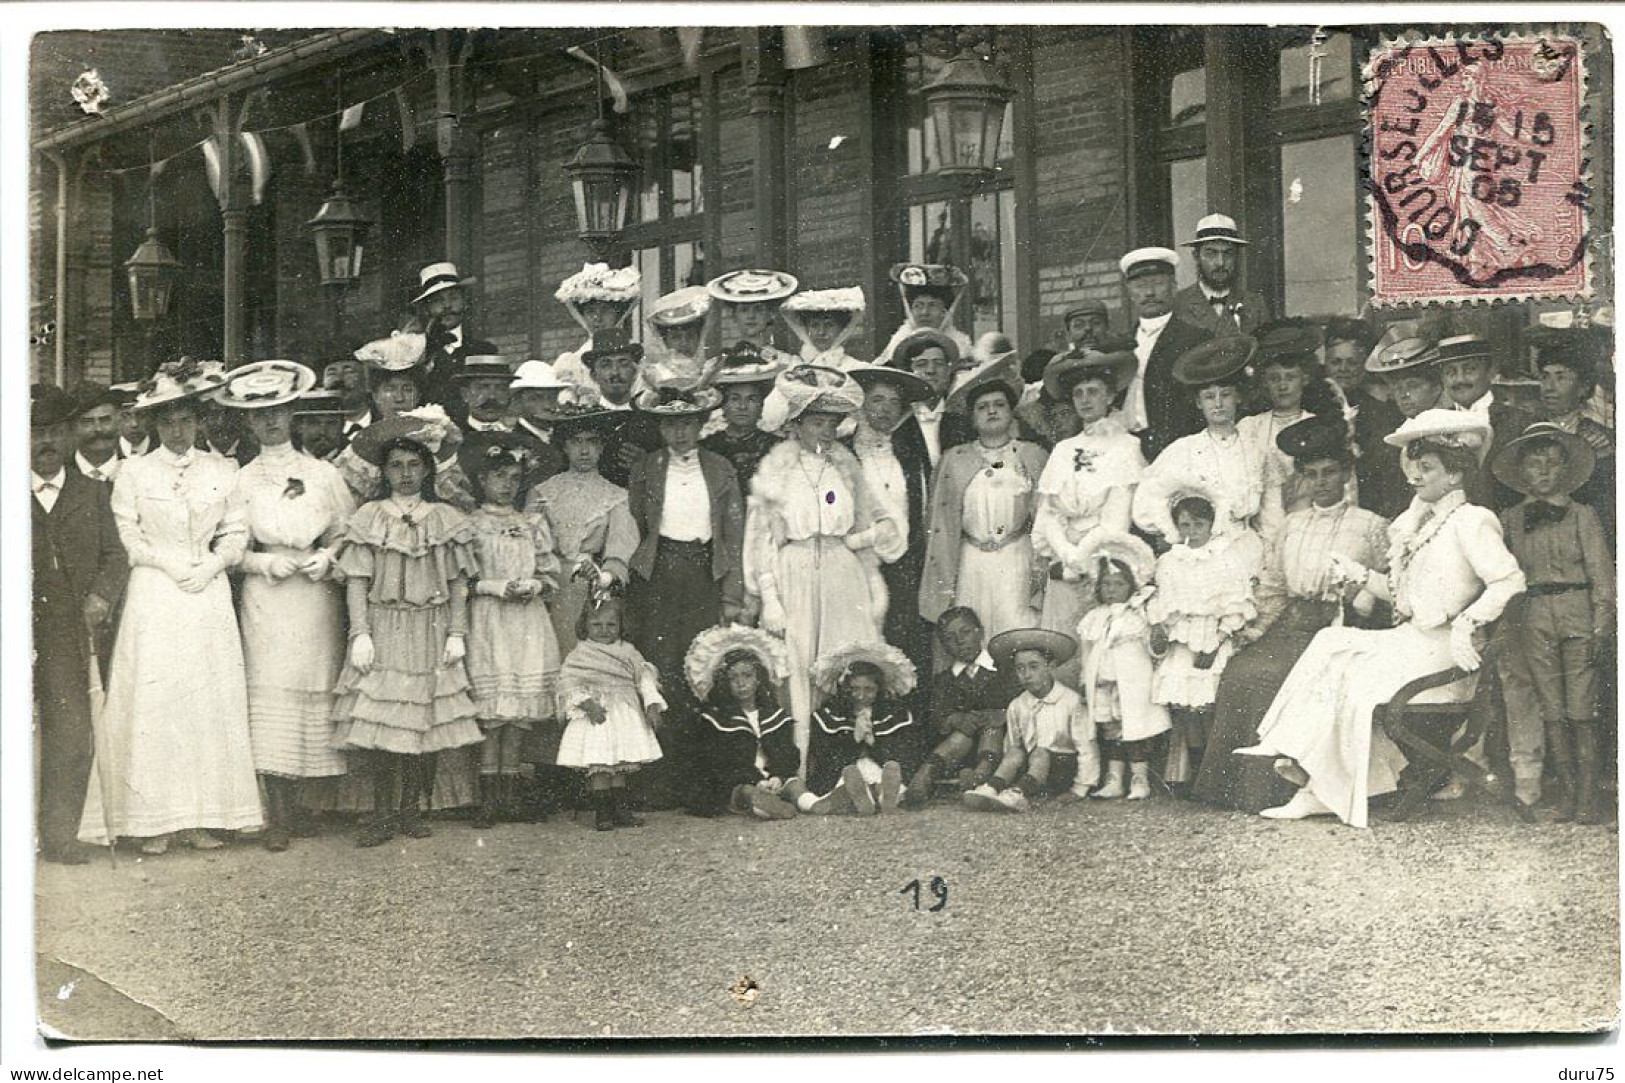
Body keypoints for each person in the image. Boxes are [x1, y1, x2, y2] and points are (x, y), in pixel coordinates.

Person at [1236, 410, 1526, 827]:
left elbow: (1510, 581)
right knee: (1329, 642)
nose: (1415, 476)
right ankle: (1307, 769)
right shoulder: (1417, 524)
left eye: (1427, 468)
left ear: (1455, 475)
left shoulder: (1471, 521)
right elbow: (1401, 597)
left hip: (1446, 652)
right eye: (1413, 467)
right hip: (1413, 640)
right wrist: (1361, 577)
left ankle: (1316, 781)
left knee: (1350, 671)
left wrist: (1468, 625)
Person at [78, 360, 262, 855]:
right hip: (155, 591)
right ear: (154, 425)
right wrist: (166, 563)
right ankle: (153, 819)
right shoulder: (133, 471)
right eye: (166, 421)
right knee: (158, 702)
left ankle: (203, 817)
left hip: (207, 591)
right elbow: (126, 534)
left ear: (199, 421)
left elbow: (237, 529)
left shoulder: (223, 469)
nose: (176, 430)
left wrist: (212, 564)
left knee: (205, 701)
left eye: (184, 420)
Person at [1194, 415, 1391, 813]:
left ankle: (1289, 791)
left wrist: (1358, 599)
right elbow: (1273, 588)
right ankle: (1236, 790)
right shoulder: (1292, 526)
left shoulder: (1370, 526)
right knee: (1243, 670)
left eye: (1330, 472)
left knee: (1273, 678)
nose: (1321, 482)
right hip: (1291, 625)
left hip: (1341, 626)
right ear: (1301, 478)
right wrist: (1247, 633)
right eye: (1312, 474)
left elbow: (1388, 587)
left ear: (1345, 474)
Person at [219, 361, 356, 851]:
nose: (270, 421)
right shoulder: (240, 478)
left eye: (277, 410)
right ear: (247, 422)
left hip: (315, 596)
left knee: (312, 686)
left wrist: (327, 556)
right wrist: (260, 563)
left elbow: (347, 532)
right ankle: (275, 810)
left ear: (292, 413)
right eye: (259, 415)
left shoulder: (323, 474)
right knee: (270, 689)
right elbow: (228, 544)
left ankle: (306, 804)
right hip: (268, 596)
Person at [330, 436, 484, 848]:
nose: (405, 474)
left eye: (413, 465)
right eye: (396, 465)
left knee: (423, 719)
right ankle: (381, 812)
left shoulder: (444, 517)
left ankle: (411, 809)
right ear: (385, 471)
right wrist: (360, 632)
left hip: (430, 626)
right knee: (384, 719)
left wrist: (456, 632)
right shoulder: (370, 516)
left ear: (427, 470)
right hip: (385, 625)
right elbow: (357, 580)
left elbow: (458, 583)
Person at [745, 365, 903, 757]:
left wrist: (857, 539)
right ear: (796, 425)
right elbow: (761, 536)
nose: (826, 432)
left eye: (832, 424)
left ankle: (848, 761)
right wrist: (770, 598)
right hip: (793, 570)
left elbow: (883, 523)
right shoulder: (777, 469)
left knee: (843, 657)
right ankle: (798, 764)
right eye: (816, 423)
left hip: (841, 571)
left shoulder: (845, 468)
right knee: (797, 663)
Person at [1493, 425, 1614, 821]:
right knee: (1551, 708)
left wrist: (1602, 625)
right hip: (1532, 617)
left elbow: (1602, 576)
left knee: (1582, 708)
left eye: (1552, 462)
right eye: (1533, 463)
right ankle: (1565, 793)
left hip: (1577, 610)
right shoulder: (1511, 520)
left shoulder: (1583, 514)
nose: (1543, 471)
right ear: (1521, 472)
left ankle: (1588, 797)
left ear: (1565, 469)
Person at [31, 384, 127, 864]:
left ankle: (59, 834)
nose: (44, 443)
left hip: (68, 632)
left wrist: (100, 596)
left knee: (69, 731)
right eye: (33, 433)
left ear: (67, 436)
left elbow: (115, 556)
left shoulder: (91, 492)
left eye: (51, 432)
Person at [1031, 348, 1145, 684]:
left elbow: (1116, 520)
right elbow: (1048, 515)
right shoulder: (1064, 449)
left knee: (1100, 659)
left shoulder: (1127, 447)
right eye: (1078, 393)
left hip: (1103, 565)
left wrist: (1082, 561)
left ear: (1111, 395)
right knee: (1063, 650)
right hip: (1064, 564)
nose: (1085, 400)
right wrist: (1066, 557)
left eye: (1094, 391)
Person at [464, 437, 562, 828]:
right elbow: (464, 578)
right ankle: (487, 796)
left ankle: (509, 793)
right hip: (489, 618)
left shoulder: (530, 524)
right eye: (497, 477)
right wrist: (494, 586)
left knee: (518, 710)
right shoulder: (471, 525)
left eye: (513, 478)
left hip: (525, 621)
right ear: (482, 480)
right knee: (494, 712)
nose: (506, 485)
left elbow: (548, 572)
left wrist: (535, 586)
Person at [920, 360, 1049, 640]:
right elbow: (938, 523)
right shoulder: (953, 460)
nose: (991, 411)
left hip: (1017, 558)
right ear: (972, 417)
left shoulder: (1032, 455)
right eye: (982, 406)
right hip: (970, 561)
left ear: (1011, 411)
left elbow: (1046, 517)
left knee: (1017, 629)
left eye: (999, 404)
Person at [1146, 490, 1257, 787]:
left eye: (1198, 525)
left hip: (1213, 635)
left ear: (1210, 524)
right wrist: (1163, 631)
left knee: (1209, 705)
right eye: (1185, 525)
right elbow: (1164, 605)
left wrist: (1218, 641)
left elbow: (1236, 606)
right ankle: (1196, 771)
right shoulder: (1170, 561)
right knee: (1185, 709)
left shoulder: (1225, 558)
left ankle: (1217, 771)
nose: (1192, 532)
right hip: (1181, 639)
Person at [1133, 335, 1267, 569]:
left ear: (1238, 397)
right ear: (1198, 403)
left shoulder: (1255, 447)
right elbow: (1145, 505)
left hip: (1246, 551)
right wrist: (1176, 533)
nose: (1217, 404)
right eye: (1208, 397)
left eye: (1225, 395)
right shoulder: (1184, 450)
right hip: (1200, 557)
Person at [847, 363, 937, 684]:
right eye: (877, 400)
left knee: (903, 641)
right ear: (863, 404)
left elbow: (919, 511)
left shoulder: (908, 455)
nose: (885, 409)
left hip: (903, 567)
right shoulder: (844, 453)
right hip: (855, 563)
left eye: (893, 403)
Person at [525, 407, 639, 658]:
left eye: (592, 442)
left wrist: (604, 577)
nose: (584, 450)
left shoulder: (617, 496)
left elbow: (620, 551)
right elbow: (529, 544)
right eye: (576, 442)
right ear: (564, 447)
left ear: (601, 448)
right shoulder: (542, 492)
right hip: (549, 585)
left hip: (592, 586)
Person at [556, 594, 666, 832]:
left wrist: (651, 704)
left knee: (619, 763)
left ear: (621, 626)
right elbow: (569, 683)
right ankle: (602, 813)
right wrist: (586, 704)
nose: (604, 630)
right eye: (597, 625)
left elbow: (644, 678)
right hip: (598, 714)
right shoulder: (580, 654)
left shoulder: (629, 652)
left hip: (624, 712)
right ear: (585, 626)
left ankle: (621, 810)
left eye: (611, 625)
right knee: (601, 763)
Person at [1072, 533, 1169, 802]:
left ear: (1131, 585)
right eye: (1107, 584)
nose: (1112, 589)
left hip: (1133, 683)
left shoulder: (1139, 614)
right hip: (1103, 681)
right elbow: (1087, 652)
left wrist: (1157, 636)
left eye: (1118, 583)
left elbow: (1155, 650)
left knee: (1134, 729)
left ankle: (1140, 779)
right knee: (1110, 730)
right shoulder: (1094, 617)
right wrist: (1084, 679)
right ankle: (1114, 779)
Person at [963, 628, 1099, 813]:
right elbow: (1013, 745)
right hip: (1031, 772)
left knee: (1041, 752)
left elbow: (1086, 748)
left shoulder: (1071, 702)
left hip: (1062, 770)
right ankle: (993, 787)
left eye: (1034, 666)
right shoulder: (1017, 705)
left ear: (1051, 666)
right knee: (1015, 751)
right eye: (1020, 668)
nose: (1026, 674)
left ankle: (1018, 793)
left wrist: (1079, 789)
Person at [1239, 321, 1349, 536]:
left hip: (1308, 519)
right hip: (1263, 521)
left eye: (1290, 377)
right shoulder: (1250, 427)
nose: (1282, 386)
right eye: (1274, 379)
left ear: (1305, 379)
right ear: (1264, 383)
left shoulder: (1318, 426)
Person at [336, 344, 475, 510]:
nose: (399, 398)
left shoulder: (440, 435)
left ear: (417, 396)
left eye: (407, 389)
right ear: (375, 396)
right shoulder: (362, 446)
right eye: (390, 389)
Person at [904, 606, 1018, 804]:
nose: (959, 641)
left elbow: (1022, 703)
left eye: (965, 632)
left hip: (997, 747)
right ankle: (924, 776)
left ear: (980, 632)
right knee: (960, 736)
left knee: (992, 728)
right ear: (943, 646)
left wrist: (1002, 714)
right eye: (950, 638)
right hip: (959, 753)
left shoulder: (1003, 669)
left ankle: (981, 775)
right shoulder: (945, 679)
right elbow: (936, 715)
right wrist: (955, 719)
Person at [682, 625, 798, 820]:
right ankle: (762, 803)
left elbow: (788, 753)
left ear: (758, 679)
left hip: (772, 779)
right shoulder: (718, 719)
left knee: (794, 784)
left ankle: (812, 803)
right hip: (740, 782)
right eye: (732, 678)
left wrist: (778, 776)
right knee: (745, 790)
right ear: (724, 683)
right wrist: (757, 781)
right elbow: (723, 763)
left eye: (747, 675)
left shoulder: (774, 715)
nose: (741, 683)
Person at [792, 643, 920, 815]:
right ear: (845, 688)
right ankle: (868, 797)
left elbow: (903, 757)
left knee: (884, 776)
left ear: (879, 689)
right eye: (854, 689)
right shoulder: (829, 715)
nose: (861, 696)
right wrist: (854, 739)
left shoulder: (894, 714)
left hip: (879, 768)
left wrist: (874, 743)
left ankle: (883, 796)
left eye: (869, 690)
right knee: (850, 778)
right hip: (843, 773)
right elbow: (825, 759)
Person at [1118, 246, 1212, 461]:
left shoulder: (1195, 339)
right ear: (1130, 293)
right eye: (1140, 286)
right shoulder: (1121, 344)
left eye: (1158, 284)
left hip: (1176, 448)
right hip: (1126, 448)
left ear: (1174, 287)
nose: (1149, 293)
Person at [1529, 326, 1615, 540]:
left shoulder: (1603, 439)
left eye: (1561, 377)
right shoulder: (1527, 431)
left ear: (1583, 387)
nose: (1549, 387)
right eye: (1545, 377)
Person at [1437, 334, 1537, 510]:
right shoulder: (1435, 426)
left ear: (1490, 372)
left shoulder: (1522, 422)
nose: (1460, 379)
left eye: (1469, 370)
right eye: (1450, 372)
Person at [1359, 336, 1447, 520]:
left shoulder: (1449, 428)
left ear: (1437, 388)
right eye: (1397, 388)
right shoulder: (1392, 435)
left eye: (1413, 386)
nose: (1404, 395)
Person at [408, 261, 500, 415]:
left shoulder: (485, 351)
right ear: (426, 309)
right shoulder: (415, 352)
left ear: (465, 302)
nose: (447, 306)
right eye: (437, 301)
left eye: (453, 298)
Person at [579, 328, 662, 488]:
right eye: (606, 365)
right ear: (594, 376)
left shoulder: (653, 417)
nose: (615, 372)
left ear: (635, 372)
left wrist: (647, 464)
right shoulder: (584, 421)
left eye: (623, 364)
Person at [700, 343, 784, 488]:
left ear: (761, 405)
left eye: (751, 399)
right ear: (724, 405)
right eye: (734, 399)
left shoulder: (777, 447)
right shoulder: (708, 447)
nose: (742, 406)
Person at [1172, 213, 1271, 335]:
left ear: (1236, 257)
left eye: (1228, 253)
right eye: (1211, 253)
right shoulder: (1178, 304)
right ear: (1196, 256)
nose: (1220, 263)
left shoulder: (1255, 304)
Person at [552, 261, 643, 388]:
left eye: (605, 311)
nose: (597, 318)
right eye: (590, 311)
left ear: (618, 314)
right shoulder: (571, 363)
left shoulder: (636, 357)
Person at [876, 262, 974, 365]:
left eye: (933, 305)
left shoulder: (961, 347)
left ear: (946, 312)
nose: (924, 313)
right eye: (918, 306)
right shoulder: (897, 342)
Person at [502, 359, 572, 489]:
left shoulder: (565, 437)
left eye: (551, 397)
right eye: (536, 398)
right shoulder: (512, 445)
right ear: (517, 403)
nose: (547, 405)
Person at [706, 269, 801, 363]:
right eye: (744, 310)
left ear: (770, 314)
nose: (751, 316)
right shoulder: (719, 363)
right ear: (734, 316)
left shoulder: (787, 361)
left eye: (758, 309)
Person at [781, 286, 867, 370]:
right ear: (805, 328)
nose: (821, 332)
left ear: (842, 329)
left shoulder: (854, 368)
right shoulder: (792, 367)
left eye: (829, 325)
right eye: (814, 325)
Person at [643, 286, 712, 385]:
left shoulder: (707, 372)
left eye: (690, 336)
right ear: (664, 341)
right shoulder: (653, 377)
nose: (684, 343)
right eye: (676, 337)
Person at [69, 382, 126, 483]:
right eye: (88, 422)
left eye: (105, 420)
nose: (98, 429)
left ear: (119, 421)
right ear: (73, 427)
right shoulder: (58, 474)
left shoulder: (139, 472)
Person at [322, 356, 374, 451]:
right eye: (331, 373)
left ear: (367, 383)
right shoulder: (318, 433)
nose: (338, 379)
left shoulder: (388, 423)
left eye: (349, 372)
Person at [456, 354, 515, 433]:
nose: (492, 396)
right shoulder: (451, 435)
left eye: (501, 389)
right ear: (465, 394)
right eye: (483, 388)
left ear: (508, 394)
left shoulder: (520, 436)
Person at [291, 388, 349, 461]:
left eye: (331, 423)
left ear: (342, 425)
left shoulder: (354, 461)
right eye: (314, 423)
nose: (322, 431)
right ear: (299, 426)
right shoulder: (284, 461)